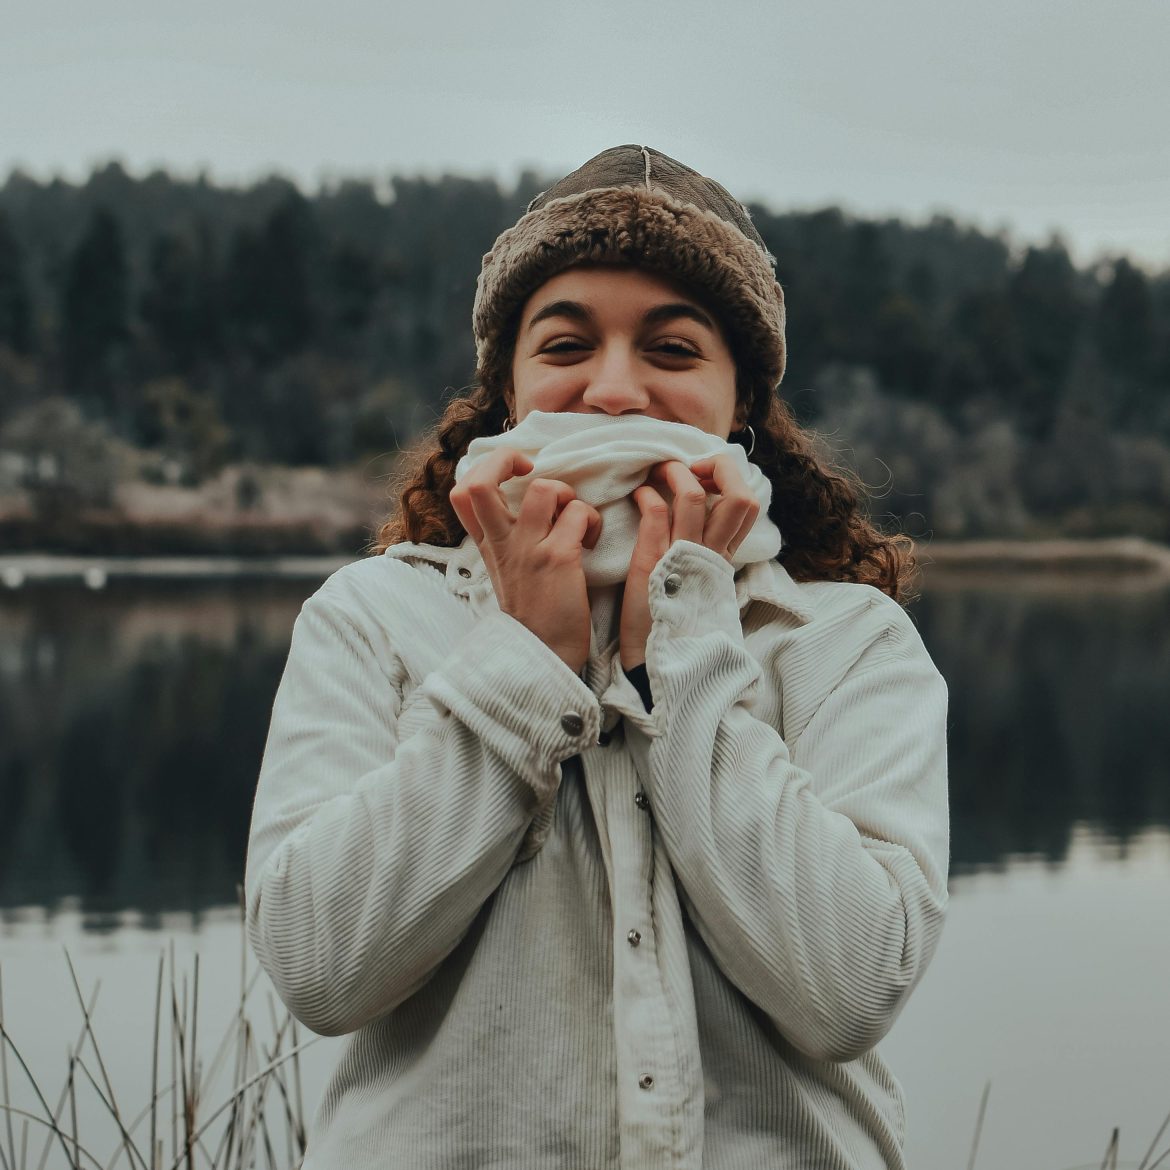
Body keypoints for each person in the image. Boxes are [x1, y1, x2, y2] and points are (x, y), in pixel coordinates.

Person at [244, 144, 950, 1169]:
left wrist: (685, 660)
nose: (613, 392)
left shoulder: (845, 644)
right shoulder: (372, 617)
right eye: (566, 344)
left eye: (671, 350)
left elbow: (852, 990)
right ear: (509, 390)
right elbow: (320, 971)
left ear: (739, 401)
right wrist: (524, 661)